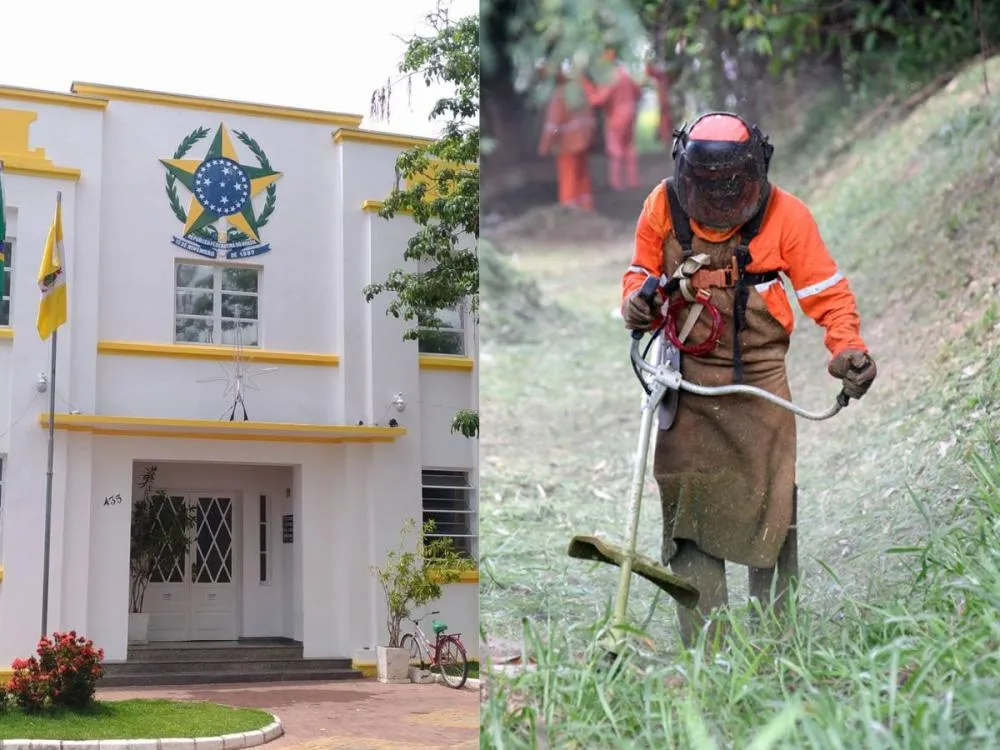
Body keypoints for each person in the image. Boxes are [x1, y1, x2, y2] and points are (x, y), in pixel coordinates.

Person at [619, 111, 877, 649]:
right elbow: (640, 271)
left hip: (759, 379)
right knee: (687, 506)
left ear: (754, 172)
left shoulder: (787, 216)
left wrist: (847, 348)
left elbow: (827, 294)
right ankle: (705, 647)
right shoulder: (661, 205)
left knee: (774, 502)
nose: (718, 199)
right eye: (705, 186)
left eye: (732, 186)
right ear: (684, 172)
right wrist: (637, 301)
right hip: (686, 380)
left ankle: (777, 642)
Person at [582, 48, 643, 191]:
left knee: (615, 148)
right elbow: (638, 92)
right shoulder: (625, 74)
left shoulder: (610, 78)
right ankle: (633, 181)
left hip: (616, 116)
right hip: (630, 114)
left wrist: (586, 86)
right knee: (629, 147)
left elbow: (598, 100)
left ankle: (615, 182)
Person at [538, 65, 597, 211]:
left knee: (568, 176)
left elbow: (554, 125)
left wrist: (545, 146)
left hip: (567, 144)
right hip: (583, 141)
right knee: (582, 175)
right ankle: (586, 207)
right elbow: (590, 120)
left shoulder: (560, 95)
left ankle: (569, 210)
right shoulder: (580, 93)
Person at [644, 58, 673, 147]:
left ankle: (666, 139)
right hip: (664, 102)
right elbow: (649, 71)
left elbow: (649, 71)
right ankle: (665, 139)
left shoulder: (663, 76)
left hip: (666, 102)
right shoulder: (661, 76)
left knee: (666, 120)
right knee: (665, 119)